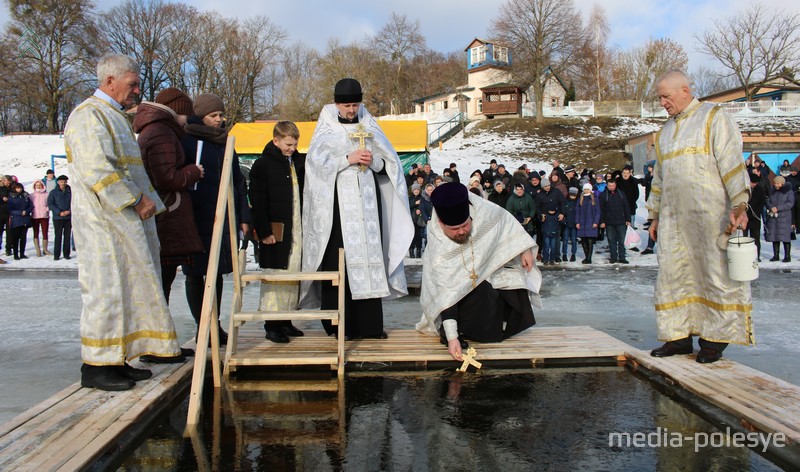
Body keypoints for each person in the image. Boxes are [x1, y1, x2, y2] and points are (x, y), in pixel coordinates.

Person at [64, 54, 187, 391]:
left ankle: (117, 359)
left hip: (123, 223)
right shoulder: (88, 116)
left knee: (126, 289)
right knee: (105, 290)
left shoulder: (114, 116)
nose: (137, 90)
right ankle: (96, 365)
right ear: (109, 82)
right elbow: (97, 169)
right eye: (132, 84)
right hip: (103, 223)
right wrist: (136, 198)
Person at [648, 70, 752, 364]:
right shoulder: (665, 131)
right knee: (673, 274)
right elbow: (660, 178)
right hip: (674, 219)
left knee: (712, 273)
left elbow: (731, 162)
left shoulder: (713, 117)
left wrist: (739, 204)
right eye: (659, 97)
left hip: (710, 215)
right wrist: (654, 215)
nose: (662, 102)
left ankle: (713, 341)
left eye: (666, 96)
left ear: (685, 90)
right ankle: (677, 337)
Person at [300, 78, 413, 340]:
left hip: (368, 210)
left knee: (369, 262)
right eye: (347, 105)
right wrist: (346, 159)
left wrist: (374, 161)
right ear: (337, 104)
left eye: (355, 104)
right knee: (339, 263)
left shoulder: (370, 125)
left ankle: (370, 326)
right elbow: (314, 167)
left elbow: (390, 166)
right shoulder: (326, 129)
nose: (352, 110)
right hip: (338, 211)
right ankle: (339, 326)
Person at [417, 183, 541, 361]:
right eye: (454, 229)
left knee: (512, 282)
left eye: (465, 226)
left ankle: (493, 324)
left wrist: (525, 249)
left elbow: (506, 220)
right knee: (475, 317)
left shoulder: (483, 209)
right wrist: (452, 337)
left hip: (482, 279)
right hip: (456, 300)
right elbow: (446, 293)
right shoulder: (439, 246)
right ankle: (452, 330)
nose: (461, 232)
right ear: (441, 223)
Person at [181, 93, 251, 346]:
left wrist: (243, 215)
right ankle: (203, 325)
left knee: (217, 272)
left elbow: (237, 180)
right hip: (196, 216)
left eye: (221, 115)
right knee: (196, 272)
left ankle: (215, 323)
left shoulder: (225, 142)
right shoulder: (187, 141)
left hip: (221, 217)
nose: (219, 120)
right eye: (214, 116)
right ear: (201, 116)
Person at [135, 87, 205, 303]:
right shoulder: (161, 132)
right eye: (185, 114)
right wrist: (194, 171)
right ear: (176, 111)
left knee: (163, 280)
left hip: (164, 213)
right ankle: (159, 333)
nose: (187, 120)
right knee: (162, 282)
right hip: (166, 214)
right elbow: (167, 178)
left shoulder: (154, 130)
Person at [248, 121, 306, 343]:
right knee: (276, 275)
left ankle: (286, 319)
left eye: (295, 143)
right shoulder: (263, 165)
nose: (292, 148)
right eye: (288, 144)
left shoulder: (298, 162)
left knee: (293, 273)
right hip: (275, 230)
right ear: (276, 141)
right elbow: (257, 200)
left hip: (296, 228)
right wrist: (263, 231)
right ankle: (271, 324)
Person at [599, 178, 630, 264]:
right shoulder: (603, 195)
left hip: (621, 221)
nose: (611, 187)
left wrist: (628, 219)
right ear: (607, 186)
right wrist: (602, 221)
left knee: (621, 240)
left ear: (615, 185)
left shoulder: (621, 193)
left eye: (613, 186)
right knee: (611, 240)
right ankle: (613, 257)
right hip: (609, 222)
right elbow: (601, 209)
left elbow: (626, 207)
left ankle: (622, 257)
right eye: (610, 186)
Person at [535, 177, 564, 265]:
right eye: (545, 186)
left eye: (548, 185)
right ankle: (545, 257)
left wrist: (562, 213)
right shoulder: (540, 195)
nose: (547, 187)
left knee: (556, 239)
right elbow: (537, 206)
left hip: (556, 218)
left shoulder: (556, 192)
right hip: (546, 219)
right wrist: (541, 214)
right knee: (546, 240)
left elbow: (562, 202)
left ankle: (555, 256)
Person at [765, 176, 794, 262]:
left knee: (785, 237)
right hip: (774, 217)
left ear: (782, 183)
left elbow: (790, 203)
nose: (776, 185)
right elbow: (767, 200)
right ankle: (776, 255)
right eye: (775, 183)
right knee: (774, 236)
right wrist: (771, 207)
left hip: (784, 217)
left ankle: (787, 256)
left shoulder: (789, 192)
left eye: (778, 183)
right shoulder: (772, 190)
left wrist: (778, 208)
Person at [47, 175, 72, 261]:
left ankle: (66, 254)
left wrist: (69, 211)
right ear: (58, 182)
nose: (63, 183)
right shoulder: (53, 192)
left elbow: (75, 202)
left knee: (67, 236)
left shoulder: (70, 191)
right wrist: (59, 212)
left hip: (68, 217)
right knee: (58, 236)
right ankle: (57, 254)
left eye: (65, 181)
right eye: (61, 181)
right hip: (58, 217)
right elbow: (51, 204)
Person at [744, 172, 767, 262]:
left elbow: (761, 204)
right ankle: (744, 255)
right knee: (744, 238)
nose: (753, 184)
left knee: (755, 238)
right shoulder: (744, 189)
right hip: (745, 217)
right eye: (752, 182)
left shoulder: (760, 190)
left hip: (755, 218)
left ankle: (756, 256)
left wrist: (755, 214)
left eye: (755, 183)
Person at [6, 182, 33, 259]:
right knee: (15, 238)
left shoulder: (26, 196)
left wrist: (27, 211)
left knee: (23, 238)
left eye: (20, 188)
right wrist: (19, 213)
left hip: (25, 219)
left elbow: (31, 206)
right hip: (16, 220)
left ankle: (22, 253)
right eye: (17, 188)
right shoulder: (11, 197)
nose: (19, 189)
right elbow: (10, 209)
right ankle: (15, 254)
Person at [576, 183, 601, 264]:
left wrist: (596, 222)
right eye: (585, 189)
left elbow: (598, 212)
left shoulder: (594, 199)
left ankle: (589, 258)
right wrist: (577, 222)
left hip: (591, 222)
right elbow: (577, 211)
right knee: (583, 240)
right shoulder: (580, 199)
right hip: (582, 222)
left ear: (591, 190)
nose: (586, 190)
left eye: (588, 189)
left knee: (590, 240)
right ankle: (586, 256)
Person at [29, 180, 50, 256]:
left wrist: (47, 209)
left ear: (42, 186)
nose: (38, 187)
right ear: (34, 186)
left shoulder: (47, 194)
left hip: (44, 216)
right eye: (37, 185)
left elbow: (49, 203)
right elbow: (29, 205)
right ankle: (38, 250)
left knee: (45, 232)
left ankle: (45, 249)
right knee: (36, 233)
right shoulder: (31, 195)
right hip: (35, 216)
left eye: (40, 185)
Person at [561, 187, 579, 262]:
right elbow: (563, 211)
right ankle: (564, 254)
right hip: (566, 224)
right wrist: (564, 221)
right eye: (571, 195)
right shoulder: (565, 201)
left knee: (574, 240)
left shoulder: (577, 202)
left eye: (574, 195)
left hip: (574, 224)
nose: (572, 197)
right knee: (565, 240)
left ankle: (573, 254)